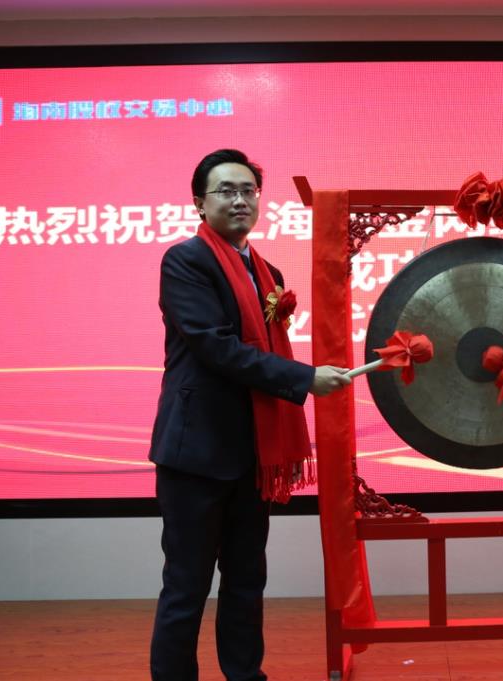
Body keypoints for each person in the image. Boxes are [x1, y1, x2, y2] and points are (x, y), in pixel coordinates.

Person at [148, 148, 351, 681]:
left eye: (248, 191)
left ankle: (245, 676)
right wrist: (304, 378)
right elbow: (216, 348)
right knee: (187, 586)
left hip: (254, 455)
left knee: (245, 581)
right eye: (226, 191)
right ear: (199, 202)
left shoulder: (268, 272)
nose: (240, 200)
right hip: (195, 454)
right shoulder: (185, 261)